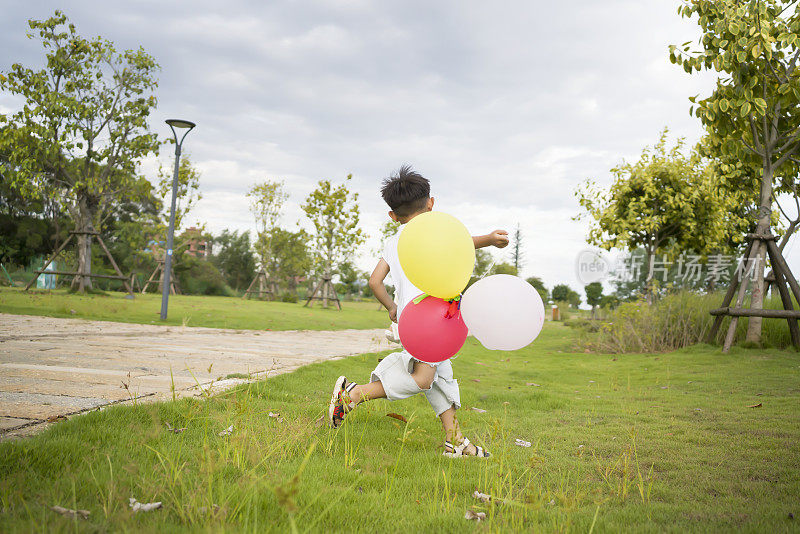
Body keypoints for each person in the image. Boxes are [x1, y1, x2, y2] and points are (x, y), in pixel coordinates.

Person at [327, 165, 509, 457]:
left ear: (393, 215)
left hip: (411, 320)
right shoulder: (436, 235)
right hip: (431, 322)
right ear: (431, 203)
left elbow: (375, 281)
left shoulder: (393, 241)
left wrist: (392, 308)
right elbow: (460, 243)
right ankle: (354, 395)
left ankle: (456, 442)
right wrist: (489, 239)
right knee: (424, 378)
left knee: (442, 378)